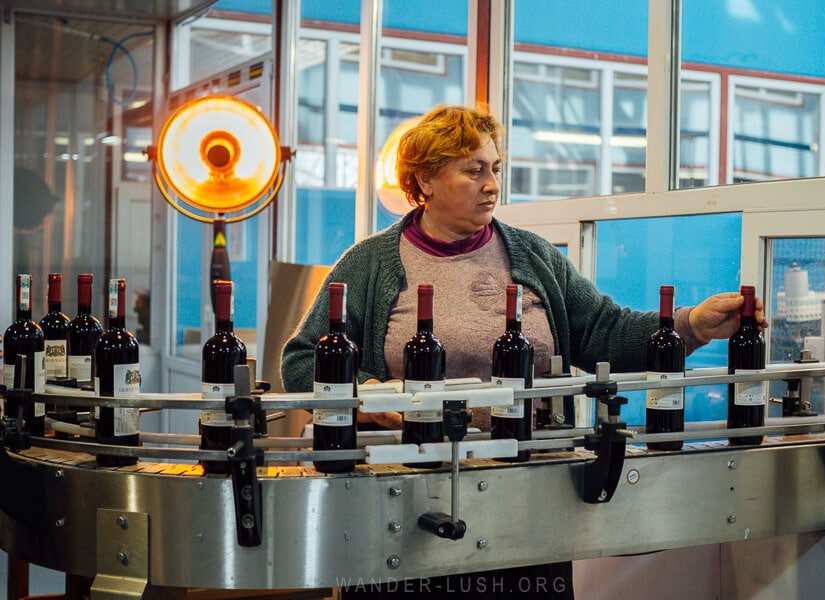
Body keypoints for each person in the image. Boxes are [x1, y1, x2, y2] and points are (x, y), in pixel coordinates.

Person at [281, 104, 767, 598]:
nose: (492, 184)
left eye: (495, 168)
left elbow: (605, 329)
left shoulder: (531, 256)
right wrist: (370, 397)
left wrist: (693, 324)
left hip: (527, 489)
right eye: (473, 171)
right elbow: (302, 360)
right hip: (405, 498)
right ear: (425, 180)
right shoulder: (371, 263)